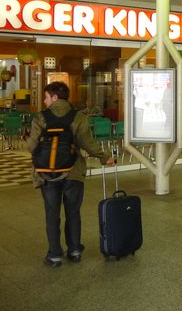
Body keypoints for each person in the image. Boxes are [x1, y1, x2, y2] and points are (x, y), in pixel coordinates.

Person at [27, 81, 115, 268]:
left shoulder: (41, 117)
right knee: (73, 212)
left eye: (46, 97)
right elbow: (88, 143)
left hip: (47, 174)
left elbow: (31, 146)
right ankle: (74, 251)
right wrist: (105, 157)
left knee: (52, 214)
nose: (45, 101)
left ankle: (54, 255)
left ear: (54, 97)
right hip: (73, 172)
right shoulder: (79, 117)